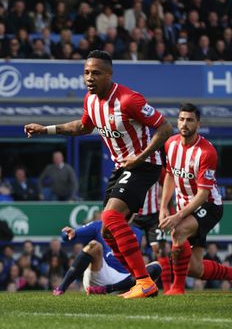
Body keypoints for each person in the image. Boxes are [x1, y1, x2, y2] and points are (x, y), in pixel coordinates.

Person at [25, 50, 173, 299]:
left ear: (109, 74)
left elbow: (166, 128)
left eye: (96, 73)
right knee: (107, 231)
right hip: (121, 168)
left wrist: (140, 156)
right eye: (86, 73)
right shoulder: (90, 101)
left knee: (111, 217)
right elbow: (83, 126)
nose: (89, 78)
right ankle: (137, 279)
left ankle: (144, 281)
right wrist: (45, 129)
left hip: (144, 164)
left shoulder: (129, 100)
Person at [159, 103, 232, 295]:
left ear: (198, 124)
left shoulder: (207, 152)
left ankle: (177, 288)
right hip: (186, 207)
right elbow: (170, 175)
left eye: (190, 120)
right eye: (181, 119)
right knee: (194, 268)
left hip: (209, 205)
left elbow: (203, 194)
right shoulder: (170, 144)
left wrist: (178, 216)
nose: (184, 124)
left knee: (178, 232)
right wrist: (164, 206)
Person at [53, 220, 161, 296]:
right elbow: (69, 236)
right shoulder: (99, 225)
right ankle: (61, 288)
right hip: (102, 273)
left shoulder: (138, 232)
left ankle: (110, 289)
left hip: (125, 280)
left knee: (156, 266)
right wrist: (69, 233)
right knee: (94, 245)